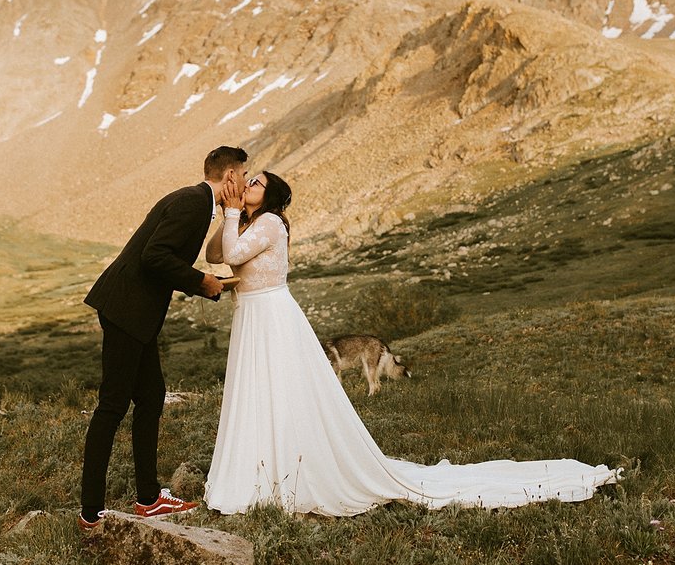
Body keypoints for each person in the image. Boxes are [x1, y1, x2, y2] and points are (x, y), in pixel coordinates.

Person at [204, 171, 620, 516]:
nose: (249, 183)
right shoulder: (247, 221)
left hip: (272, 316)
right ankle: (259, 465)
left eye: (256, 181)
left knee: (282, 390)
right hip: (253, 315)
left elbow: (236, 255)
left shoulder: (271, 222)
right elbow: (217, 254)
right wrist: (230, 211)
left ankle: (290, 467)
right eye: (248, 180)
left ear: (270, 195)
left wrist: (233, 209)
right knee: (258, 392)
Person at [79, 146, 248, 529]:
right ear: (230, 178)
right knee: (112, 406)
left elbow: (160, 256)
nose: (243, 182)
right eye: (243, 174)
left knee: (151, 396)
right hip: (126, 309)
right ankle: (90, 513)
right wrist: (201, 281)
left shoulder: (196, 201)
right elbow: (154, 256)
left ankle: (149, 498)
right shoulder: (192, 202)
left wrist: (203, 278)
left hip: (135, 313)